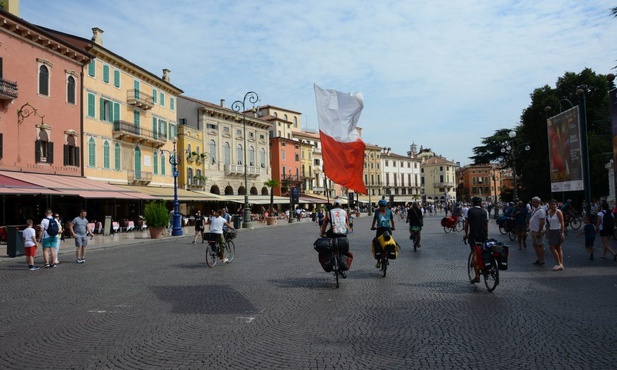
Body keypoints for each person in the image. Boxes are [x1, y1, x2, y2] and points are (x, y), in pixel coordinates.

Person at [463, 196, 489, 283]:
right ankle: (486, 267)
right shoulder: (485, 211)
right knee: (484, 251)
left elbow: (466, 224)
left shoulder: (469, 211)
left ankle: (477, 276)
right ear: (480, 203)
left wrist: (466, 234)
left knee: (474, 253)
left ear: (472, 203)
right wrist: (487, 235)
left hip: (474, 235)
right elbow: (486, 225)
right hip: (484, 235)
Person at [546, 199, 565, 271]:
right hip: (552, 230)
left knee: (552, 247)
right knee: (558, 247)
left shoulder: (558, 212)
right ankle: (560, 264)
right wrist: (548, 230)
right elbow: (549, 222)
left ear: (556, 205)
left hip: (557, 230)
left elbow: (562, 223)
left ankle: (559, 263)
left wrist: (562, 233)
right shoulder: (549, 212)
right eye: (552, 204)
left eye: (554, 204)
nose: (553, 205)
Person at [528, 196, 546, 266]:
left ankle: (542, 259)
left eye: (534, 202)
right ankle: (538, 258)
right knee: (535, 245)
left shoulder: (541, 210)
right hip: (533, 230)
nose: (532, 203)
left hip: (538, 231)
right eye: (532, 202)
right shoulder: (535, 209)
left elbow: (542, 221)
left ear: (538, 202)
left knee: (540, 245)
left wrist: (539, 231)